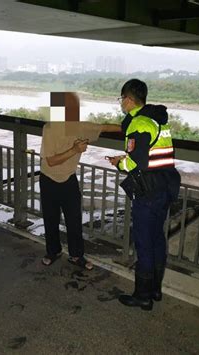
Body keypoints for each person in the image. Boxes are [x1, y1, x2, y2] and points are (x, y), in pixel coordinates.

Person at [107, 79, 181, 310]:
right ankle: (155, 290)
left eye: (121, 100)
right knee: (157, 238)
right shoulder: (156, 119)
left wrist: (119, 163)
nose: (121, 104)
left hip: (149, 191)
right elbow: (153, 155)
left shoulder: (139, 123)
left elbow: (136, 162)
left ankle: (142, 296)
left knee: (143, 242)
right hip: (165, 185)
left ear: (128, 100)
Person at [40, 92, 120, 270]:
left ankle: (76, 256)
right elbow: (51, 161)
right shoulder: (50, 129)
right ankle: (53, 251)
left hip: (68, 179)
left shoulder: (80, 127)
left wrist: (130, 127)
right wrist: (75, 149)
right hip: (48, 178)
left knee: (74, 220)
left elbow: (105, 128)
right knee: (50, 219)